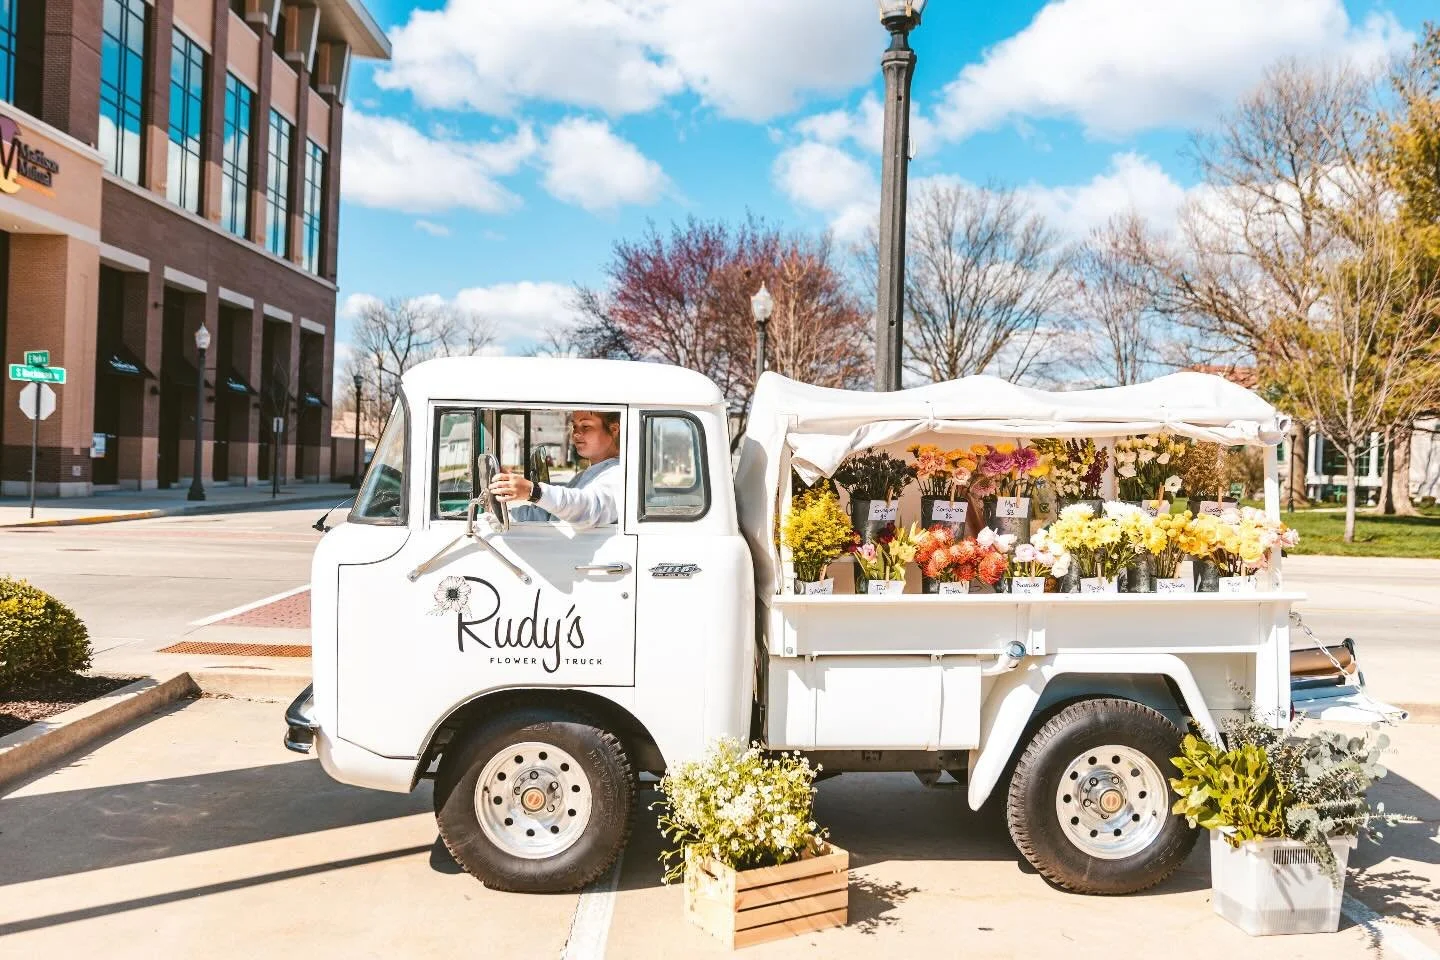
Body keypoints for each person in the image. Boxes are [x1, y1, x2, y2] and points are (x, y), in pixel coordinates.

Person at [489, 410, 621, 528]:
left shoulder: (618, 474)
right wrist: (498, 516)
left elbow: (587, 509)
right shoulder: (582, 477)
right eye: (574, 426)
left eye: (585, 426)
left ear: (614, 429)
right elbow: (547, 516)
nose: (575, 433)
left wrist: (533, 491)